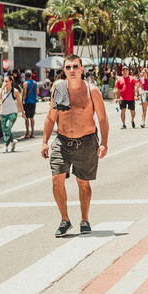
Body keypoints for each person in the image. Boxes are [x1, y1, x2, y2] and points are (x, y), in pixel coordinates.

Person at [41, 55, 109, 237]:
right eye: (68, 67)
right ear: (64, 70)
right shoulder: (59, 89)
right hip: (62, 141)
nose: (72, 70)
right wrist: (44, 141)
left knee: (83, 183)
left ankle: (84, 219)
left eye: (75, 66)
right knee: (56, 179)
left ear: (81, 69)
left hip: (86, 142)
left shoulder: (92, 91)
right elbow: (50, 117)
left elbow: (102, 118)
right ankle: (65, 220)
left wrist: (104, 143)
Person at [0, 75, 23, 153]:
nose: (4, 83)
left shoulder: (15, 91)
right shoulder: (1, 90)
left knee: (8, 127)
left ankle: (6, 146)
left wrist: (23, 112)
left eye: (6, 81)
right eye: (3, 81)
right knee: (5, 130)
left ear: (11, 82)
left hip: (12, 112)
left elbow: (19, 102)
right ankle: (12, 141)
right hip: (3, 113)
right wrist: (2, 88)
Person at [22, 71, 39, 139]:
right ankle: (32, 133)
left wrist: (22, 101)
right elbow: (38, 92)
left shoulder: (25, 83)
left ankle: (27, 133)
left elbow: (24, 93)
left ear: (25, 76)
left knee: (26, 118)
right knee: (32, 118)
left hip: (27, 101)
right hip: (33, 101)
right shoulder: (35, 83)